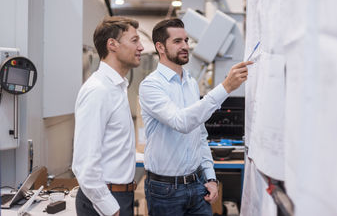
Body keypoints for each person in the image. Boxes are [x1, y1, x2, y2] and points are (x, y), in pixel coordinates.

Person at [139, 18, 251, 216]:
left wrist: (210, 176)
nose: (185, 46)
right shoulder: (151, 86)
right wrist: (226, 87)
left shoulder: (190, 82)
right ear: (160, 47)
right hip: (165, 191)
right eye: (177, 41)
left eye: (186, 40)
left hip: (197, 185)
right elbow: (181, 122)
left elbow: (199, 134)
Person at [72, 16, 144, 216]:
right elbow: (85, 163)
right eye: (134, 40)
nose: (141, 47)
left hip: (119, 197)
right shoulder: (98, 90)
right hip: (105, 202)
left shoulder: (117, 88)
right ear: (112, 45)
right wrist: (110, 208)